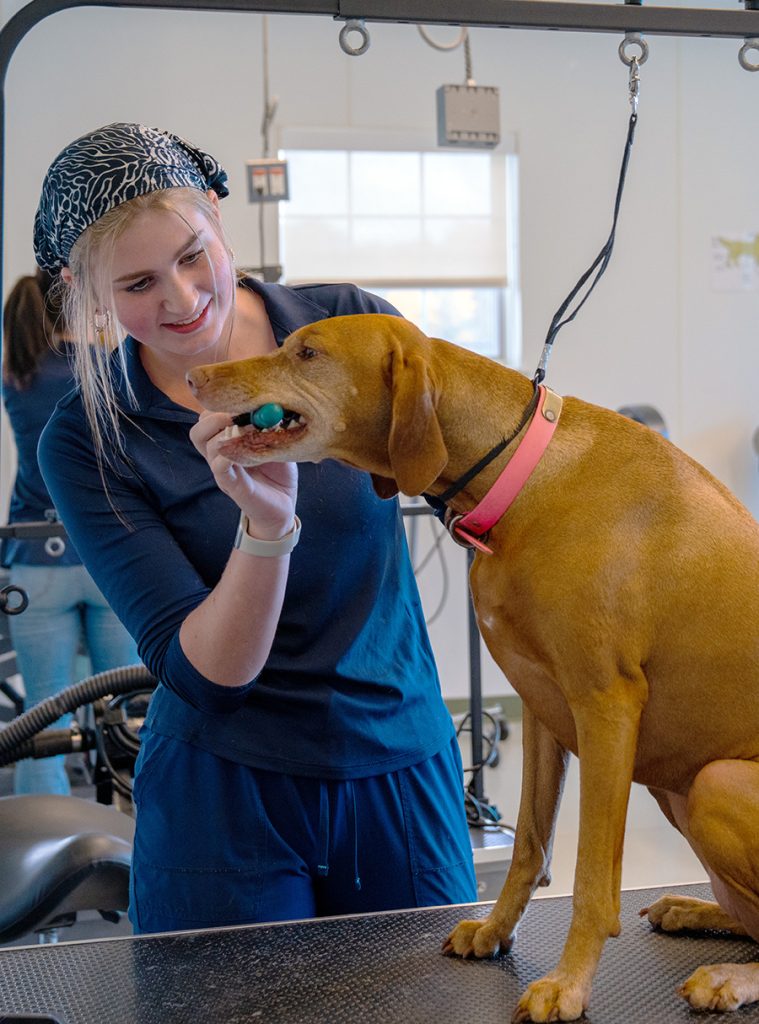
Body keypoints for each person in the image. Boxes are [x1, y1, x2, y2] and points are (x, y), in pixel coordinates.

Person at [33, 122, 477, 934]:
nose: (181, 298)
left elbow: (472, 477)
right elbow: (209, 677)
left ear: (215, 212)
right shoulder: (87, 439)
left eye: (193, 255)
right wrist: (266, 527)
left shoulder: (349, 328)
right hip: (223, 788)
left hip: (397, 763)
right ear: (88, 293)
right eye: (136, 284)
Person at [1, 268, 141, 795]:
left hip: (35, 560)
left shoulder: (16, 375)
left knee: (43, 722)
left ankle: (42, 862)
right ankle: (130, 849)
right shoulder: (110, 367)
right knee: (124, 719)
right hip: (110, 555)